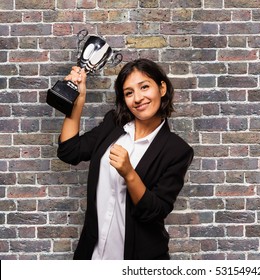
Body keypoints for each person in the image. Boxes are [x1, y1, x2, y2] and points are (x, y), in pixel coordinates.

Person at [57, 58, 194, 260]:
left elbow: (154, 212)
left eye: (144, 87)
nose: (137, 98)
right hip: (92, 253)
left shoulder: (177, 150)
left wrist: (129, 173)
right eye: (129, 93)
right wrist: (78, 102)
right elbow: (69, 151)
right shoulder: (114, 123)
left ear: (162, 88)